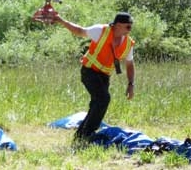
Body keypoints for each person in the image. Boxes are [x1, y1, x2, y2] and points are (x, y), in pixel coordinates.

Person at [53, 12, 135, 145]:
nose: (130, 30)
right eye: (128, 27)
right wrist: (61, 21)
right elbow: (80, 31)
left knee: (96, 104)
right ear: (118, 25)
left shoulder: (128, 43)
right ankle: (88, 134)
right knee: (103, 99)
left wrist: (131, 84)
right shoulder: (100, 31)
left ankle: (80, 137)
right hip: (89, 71)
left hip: (104, 76)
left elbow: (130, 64)